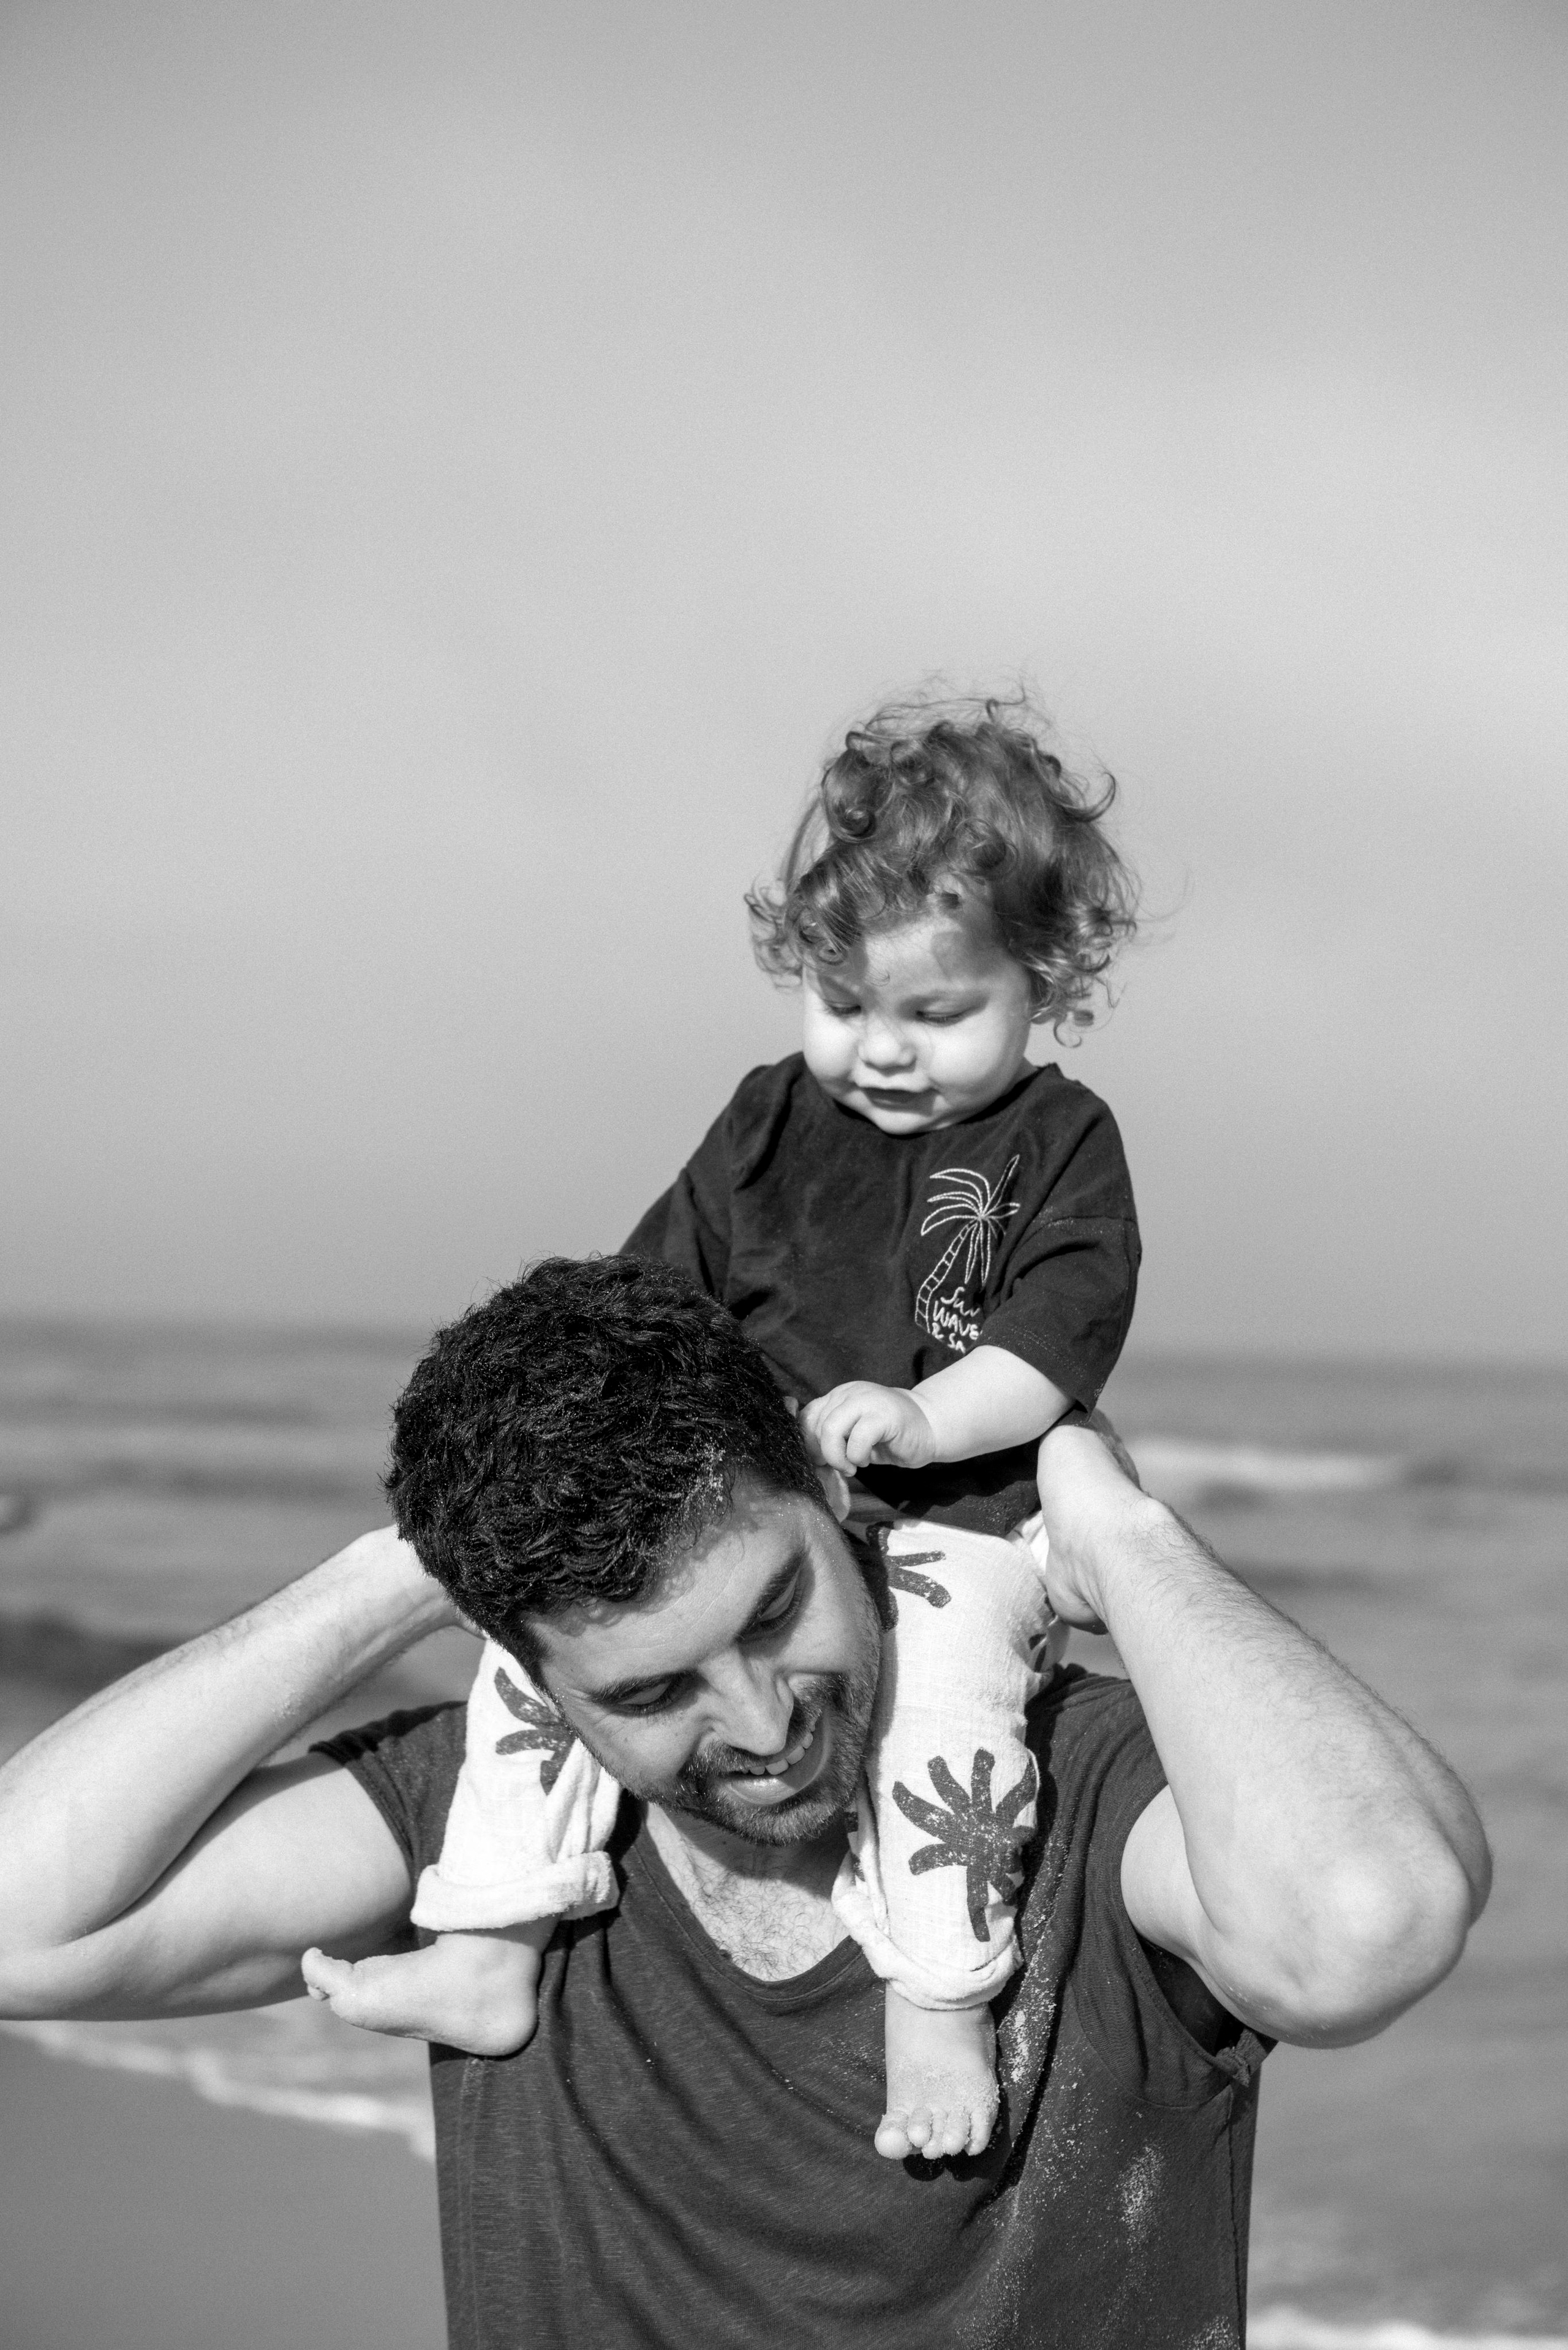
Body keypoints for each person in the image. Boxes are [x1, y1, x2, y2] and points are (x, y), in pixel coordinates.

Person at [0, 1258, 1488, 2350]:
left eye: (775, 1609)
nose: (764, 1724)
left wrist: (1122, 1538)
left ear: (834, 1500)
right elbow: (20, 1925)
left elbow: (1363, 1924)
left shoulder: (1070, 1787)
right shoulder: (496, 1839)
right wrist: (390, 1579)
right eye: (652, 1694)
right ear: (535, 1682)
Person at [303, 693, 1142, 2162]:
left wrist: (921, 1414)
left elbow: (1055, 1341)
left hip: (956, 1515)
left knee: (943, 1732)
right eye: (842, 1006)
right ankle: (490, 1939)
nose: (881, 1051)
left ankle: (938, 2000)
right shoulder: (763, 1120)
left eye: (935, 1015)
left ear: (1046, 978)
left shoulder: (1055, 1145)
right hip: (739, 1514)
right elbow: (645, 1302)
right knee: (537, 1660)